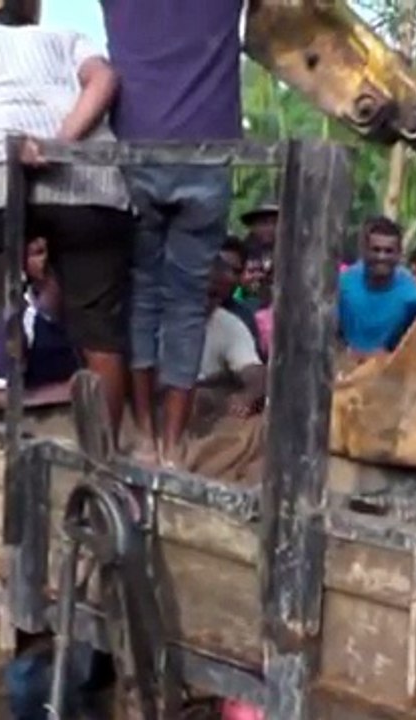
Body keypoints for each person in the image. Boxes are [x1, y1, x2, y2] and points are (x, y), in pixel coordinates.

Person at [0, 8, 133, 439]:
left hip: (2, 168)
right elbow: (105, 81)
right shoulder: (65, 39)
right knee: (100, 334)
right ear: (28, 28)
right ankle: (107, 455)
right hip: (93, 180)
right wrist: (59, 145)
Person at [99, 0, 246, 467]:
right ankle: (174, 443)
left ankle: (143, 432)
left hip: (136, 152)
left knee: (141, 295)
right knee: (186, 302)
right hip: (205, 156)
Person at [0, 237, 81, 408]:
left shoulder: (89, 318)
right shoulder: (12, 320)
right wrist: (62, 392)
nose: (44, 260)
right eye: (38, 253)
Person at [337, 216, 416, 359]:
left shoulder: (413, 297)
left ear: (399, 254)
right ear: (364, 250)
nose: (381, 257)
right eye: (376, 250)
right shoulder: (342, 285)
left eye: (388, 251)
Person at [200, 253, 268, 419]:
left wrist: (248, 396)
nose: (207, 301)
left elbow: (255, 372)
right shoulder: (151, 319)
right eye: (204, 292)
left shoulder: (228, 324)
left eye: (214, 295)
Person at [218, 235, 263, 352]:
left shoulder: (243, 318)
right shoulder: (181, 310)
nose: (228, 276)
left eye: (235, 271)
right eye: (223, 267)